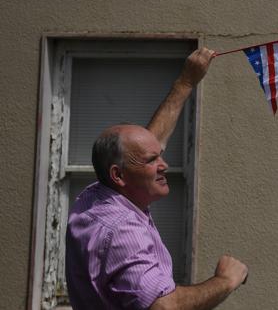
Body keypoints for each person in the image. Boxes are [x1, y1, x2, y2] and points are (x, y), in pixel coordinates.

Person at [65, 47, 248, 310]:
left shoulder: (97, 196)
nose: (164, 165)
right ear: (119, 175)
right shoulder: (123, 232)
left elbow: (150, 141)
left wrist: (186, 81)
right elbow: (162, 306)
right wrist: (225, 281)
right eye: (153, 161)